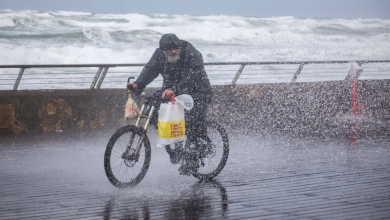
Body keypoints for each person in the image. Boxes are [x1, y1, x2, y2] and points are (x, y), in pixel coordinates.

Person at [127, 33, 213, 175]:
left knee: (190, 119)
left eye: (175, 49)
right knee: (154, 112)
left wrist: (173, 89)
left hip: (197, 91)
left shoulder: (192, 53)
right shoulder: (159, 54)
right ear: (163, 51)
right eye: (169, 51)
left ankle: (196, 152)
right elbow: (150, 70)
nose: (173, 52)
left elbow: (190, 77)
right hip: (170, 90)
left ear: (179, 47)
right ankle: (174, 149)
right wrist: (137, 84)